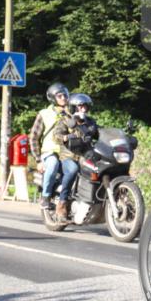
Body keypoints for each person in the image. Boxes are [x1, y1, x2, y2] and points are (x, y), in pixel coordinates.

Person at [53, 93, 100, 221]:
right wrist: (65, 137)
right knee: (73, 170)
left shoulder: (90, 122)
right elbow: (56, 135)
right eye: (80, 106)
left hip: (85, 156)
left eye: (85, 106)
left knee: (100, 169)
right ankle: (62, 203)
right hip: (69, 156)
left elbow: (100, 133)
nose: (83, 109)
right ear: (74, 107)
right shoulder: (65, 120)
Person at [30, 83, 70, 208]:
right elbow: (33, 137)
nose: (63, 98)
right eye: (59, 96)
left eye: (65, 95)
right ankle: (45, 197)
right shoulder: (44, 114)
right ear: (53, 98)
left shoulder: (72, 112)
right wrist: (38, 160)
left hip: (69, 152)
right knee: (52, 165)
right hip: (50, 152)